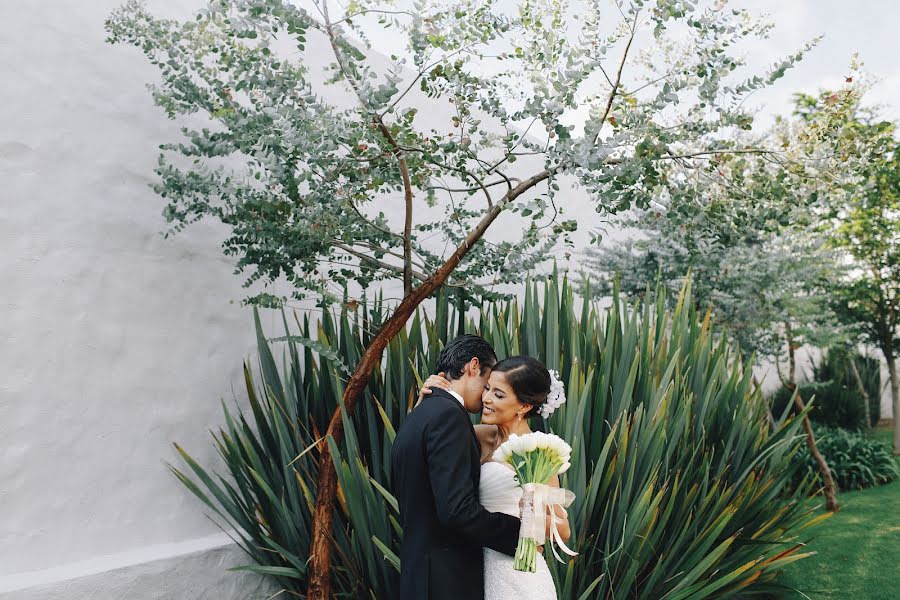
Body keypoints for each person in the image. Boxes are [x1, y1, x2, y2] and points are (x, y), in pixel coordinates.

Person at [420, 354, 571, 600]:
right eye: (487, 388)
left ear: (524, 406)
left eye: (499, 395)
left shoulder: (538, 453)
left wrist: (534, 510)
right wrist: (426, 403)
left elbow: (563, 532)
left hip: (520, 575)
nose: (486, 399)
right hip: (477, 569)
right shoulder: (478, 436)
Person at [391, 334, 521, 600]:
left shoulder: (421, 414)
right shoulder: (449, 416)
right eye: (487, 385)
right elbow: (457, 510)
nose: (486, 396)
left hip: (420, 574)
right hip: (445, 580)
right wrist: (520, 535)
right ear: (473, 367)